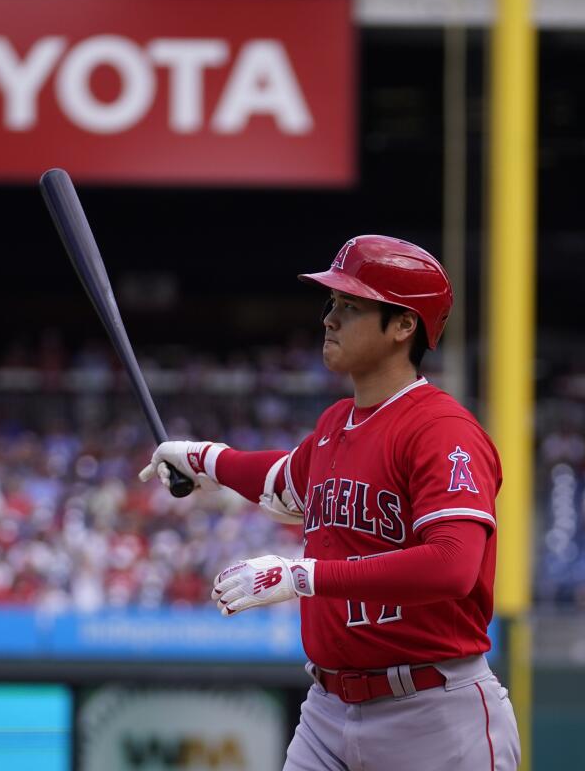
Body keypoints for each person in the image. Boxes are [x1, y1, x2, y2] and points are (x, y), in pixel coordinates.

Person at [139, 235, 521, 770]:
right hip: (327, 710)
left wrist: (302, 577)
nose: (329, 318)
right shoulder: (336, 423)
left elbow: (454, 565)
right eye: (332, 303)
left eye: (351, 306)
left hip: (433, 713)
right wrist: (206, 459)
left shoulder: (441, 429)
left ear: (404, 326)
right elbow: (282, 479)